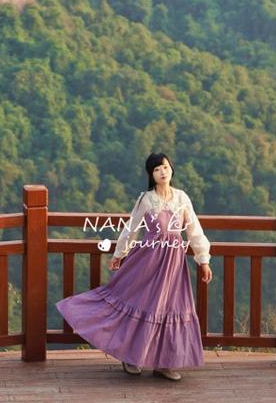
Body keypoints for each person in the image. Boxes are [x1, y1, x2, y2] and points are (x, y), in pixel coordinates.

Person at [55, 151, 213, 381]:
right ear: (151, 174)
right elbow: (132, 228)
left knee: (169, 308)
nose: (162, 172)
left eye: (165, 167)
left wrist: (204, 260)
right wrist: (120, 253)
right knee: (140, 303)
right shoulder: (146, 199)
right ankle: (130, 357)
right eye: (157, 169)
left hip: (174, 264)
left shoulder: (181, 198)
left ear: (172, 170)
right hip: (148, 261)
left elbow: (194, 230)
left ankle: (164, 363)